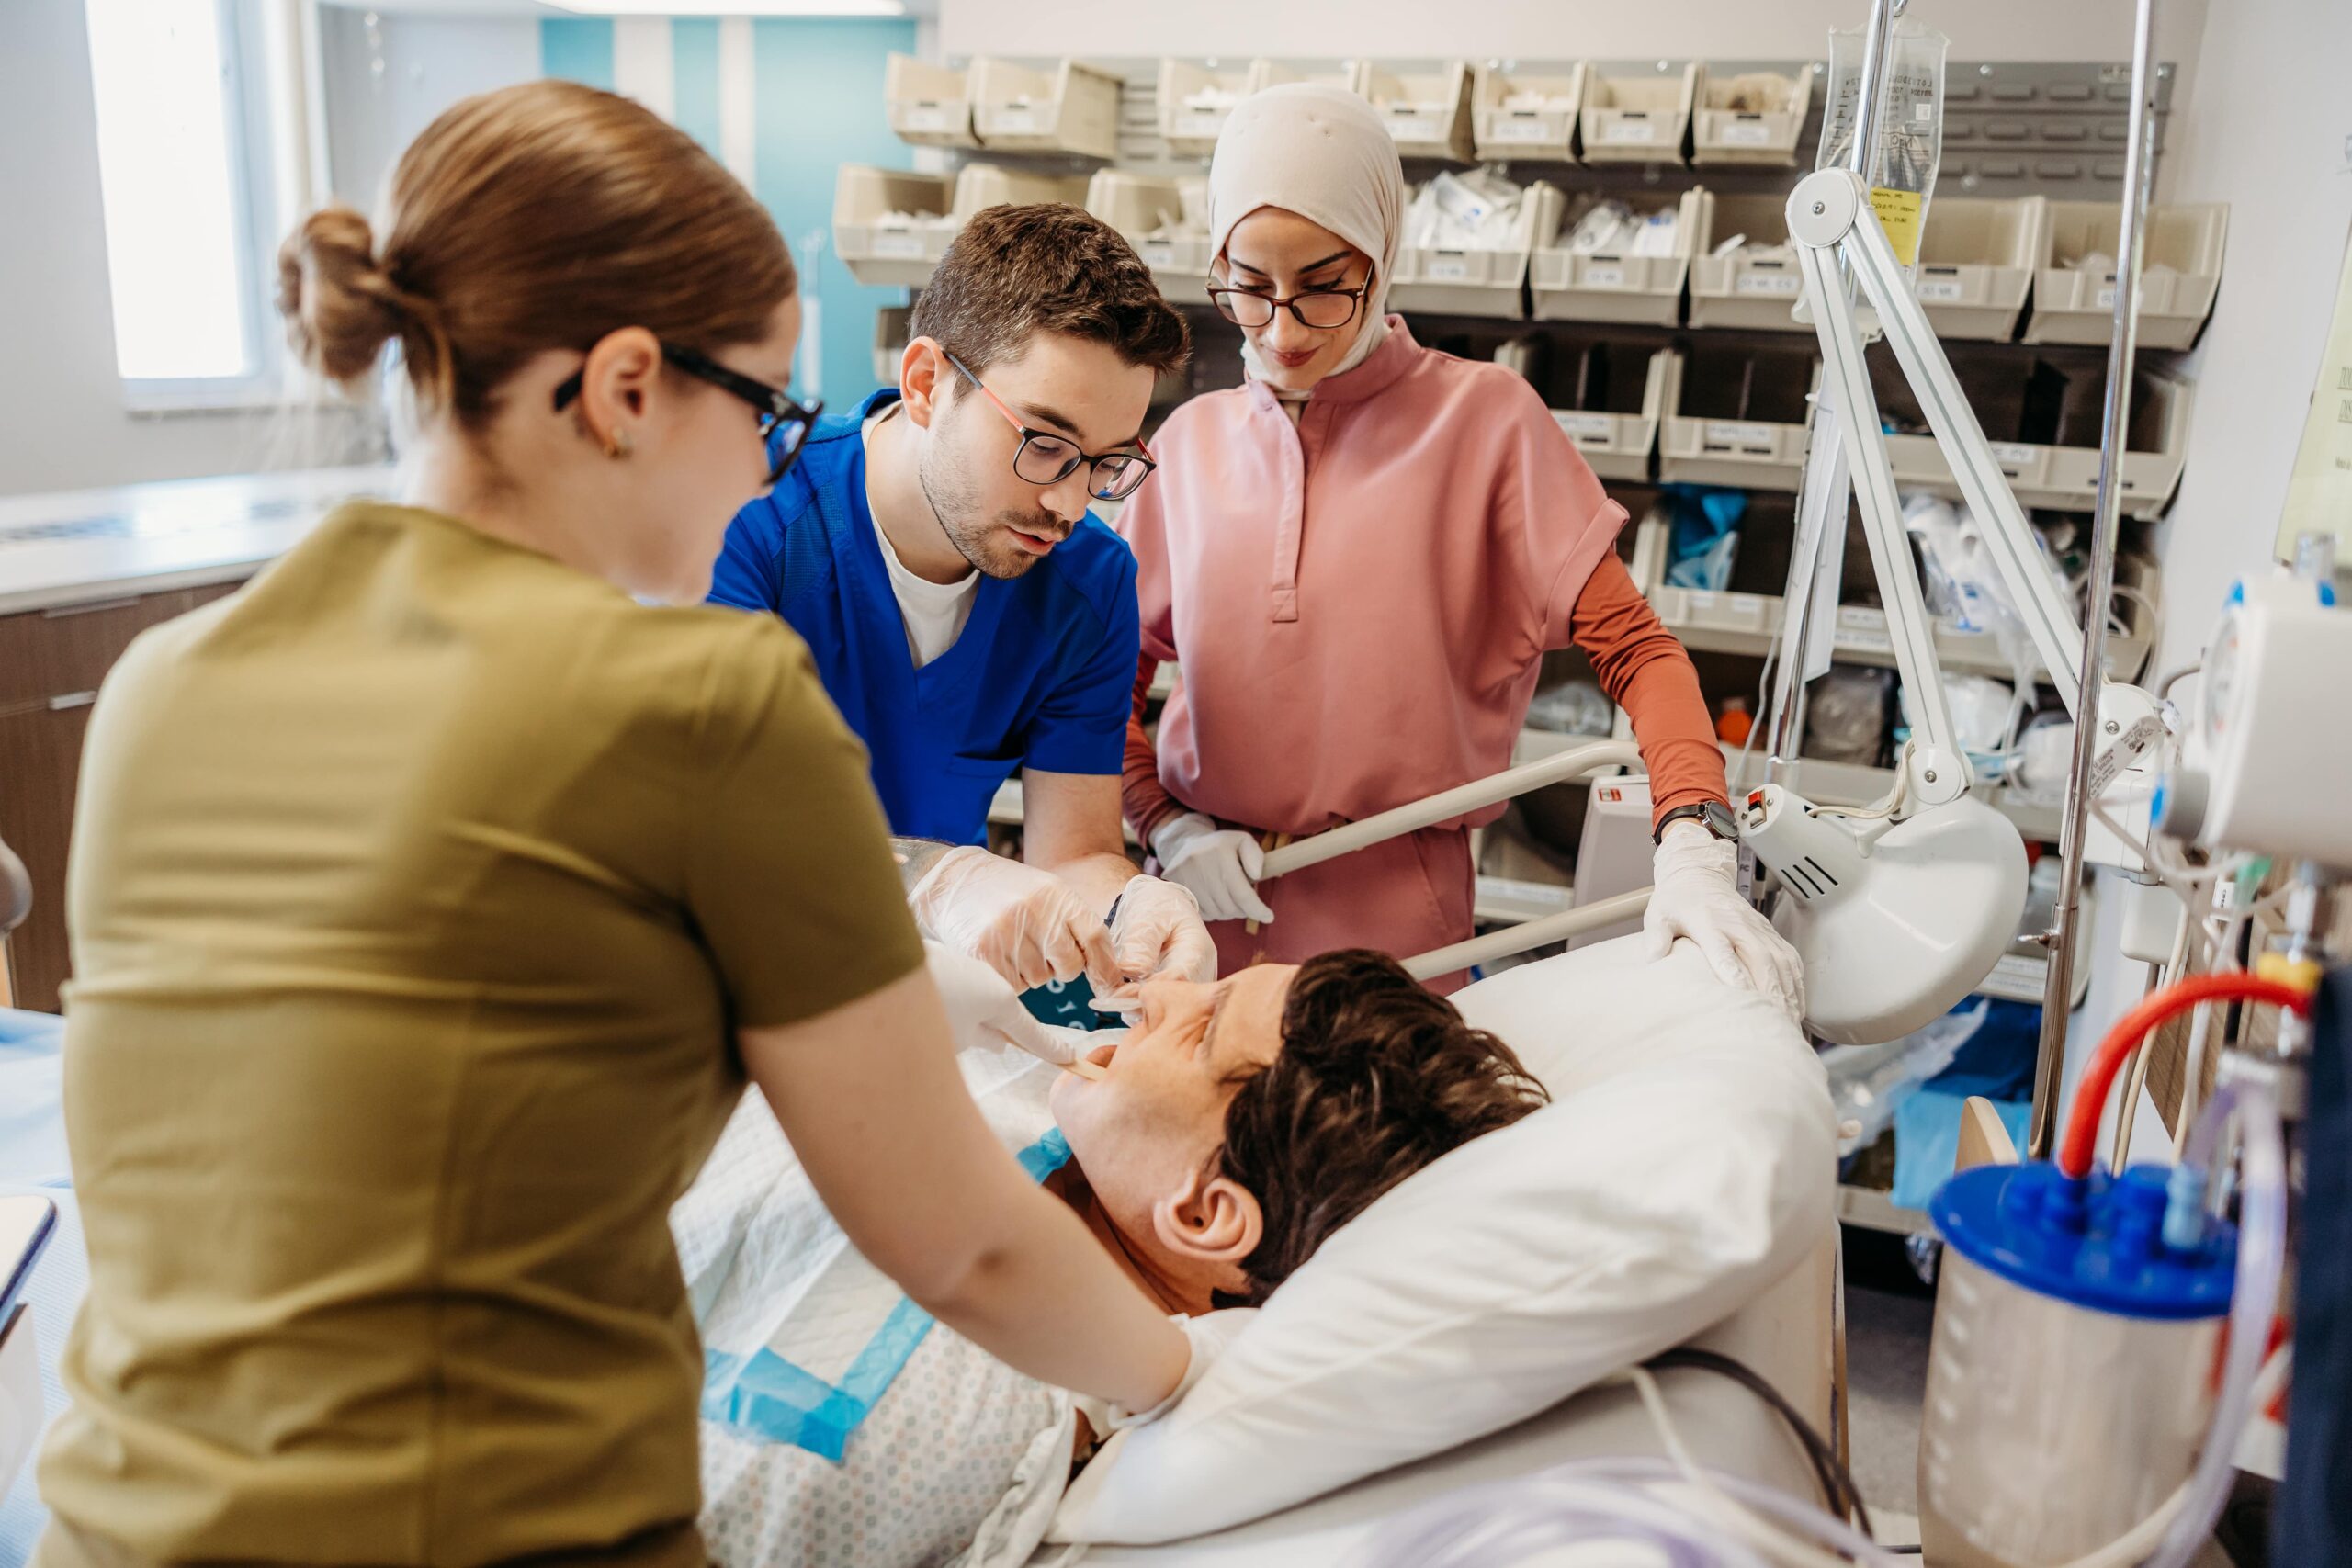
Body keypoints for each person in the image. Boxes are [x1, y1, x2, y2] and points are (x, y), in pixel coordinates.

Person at [35, 81, 1210, 1568]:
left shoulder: (161, 684)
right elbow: (964, 1241)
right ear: (628, 386)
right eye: (769, 407)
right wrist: (1199, 1379)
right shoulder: (708, 696)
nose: (771, 459)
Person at [1120, 85, 1804, 1013]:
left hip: (1398, 923)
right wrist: (1167, 827)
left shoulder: (1483, 425)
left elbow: (1639, 653)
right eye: (1249, 286)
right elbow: (1094, 694)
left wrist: (1693, 837)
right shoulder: (1188, 445)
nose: (1280, 331)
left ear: (1382, 255)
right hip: (1200, 920)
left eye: (1324, 286)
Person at [685, 949, 1547, 1568]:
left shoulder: (948, 1415)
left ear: (1207, 1213)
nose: (1160, 993)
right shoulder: (1047, 1105)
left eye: (1200, 1027)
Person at [711, 204, 1213, 1001]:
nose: (1070, 505)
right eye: (1043, 445)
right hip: (728, 976)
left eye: (1105, 463)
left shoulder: (1088, 582)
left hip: (920, 989)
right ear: (925, 383)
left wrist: (1133, 903)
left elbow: (1071, 853)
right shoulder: (748, 516)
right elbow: (704, 829)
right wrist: (938, 878)